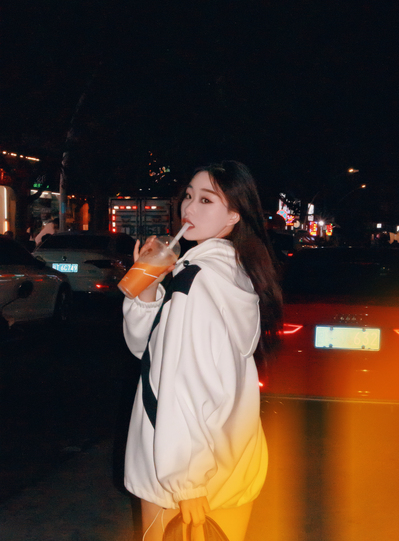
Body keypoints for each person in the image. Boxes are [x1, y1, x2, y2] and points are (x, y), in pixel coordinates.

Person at [122, 161, 282, 541]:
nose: (189, 208)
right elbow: (152, 351)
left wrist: (187, 480)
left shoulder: (197, 280)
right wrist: (149, 287)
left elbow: (185, 382)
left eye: (206, 200)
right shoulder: (233, 272)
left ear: (234, 214)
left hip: (180, 474)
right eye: (189, 196)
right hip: (232, 459)